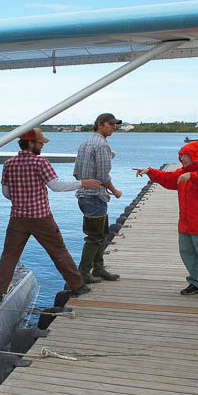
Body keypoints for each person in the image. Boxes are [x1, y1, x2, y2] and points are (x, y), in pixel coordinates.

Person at [0, 128, 101, 305]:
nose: (42, 145)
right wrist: (83, 183)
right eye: (40, 142)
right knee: (58, 251)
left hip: (17, 218)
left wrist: (21, 198)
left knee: (9, 255)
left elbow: (6, 193)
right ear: (31, 143)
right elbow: (55, 186)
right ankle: (77, 286)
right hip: (41, 218)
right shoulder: (41, 162)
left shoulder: (9, 164)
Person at [134, 142, 198, 300]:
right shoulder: (183, 172)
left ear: (194, 156)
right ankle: (196, 283)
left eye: (185, 155)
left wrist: (192, 176)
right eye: (181, 155)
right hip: (186, 222)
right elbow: (168, 178)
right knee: (187, 253)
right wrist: (150, 171)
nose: (182, 158)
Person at [73, 112, 123, 283]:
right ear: (100, 124)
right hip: (95, 197)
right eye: (110, 124)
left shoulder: (85, 143)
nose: (113, 128)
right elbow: (103, 176)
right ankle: (84, 272)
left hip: (85, 196)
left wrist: (84, 182)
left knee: (102, 233)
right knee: (94, 236)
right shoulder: (102, 146)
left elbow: (76, 173)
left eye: (114, 125)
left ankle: (99, 268)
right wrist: (115, 191)